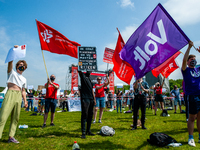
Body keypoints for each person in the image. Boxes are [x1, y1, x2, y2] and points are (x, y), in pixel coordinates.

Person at [0, 48, 28, 143]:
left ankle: (11, 136)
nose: (22, 66)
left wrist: (25, 100)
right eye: (20, 65)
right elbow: (10, 63)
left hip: (18, 96)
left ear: (25, 68)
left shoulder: (24, 79)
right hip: (10, 94)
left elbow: (23, 90)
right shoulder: (11, 73)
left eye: (23, 66)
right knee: (3, 117)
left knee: (15, 118)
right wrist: (14, 52)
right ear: (17, 66)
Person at [181, 41, 200, 147]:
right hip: (191, 95)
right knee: (192, 117)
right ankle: (191, 138)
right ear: (188, 62)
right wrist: (189, 47)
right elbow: (183, 60)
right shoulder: (185, 70)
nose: (193, 61)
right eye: (191, 60)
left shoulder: (198, 69)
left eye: (194, 59)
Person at [78, 71, 96, 139]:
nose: (91, 71)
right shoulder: (83, 75)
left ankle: (88, 130)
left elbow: (92, 90)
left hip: (91, 98)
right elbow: (79, 70)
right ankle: (83, 133)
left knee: (90, 115)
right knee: (84, 115)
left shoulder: (89, 78)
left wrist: (94, 99)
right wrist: (80, 62)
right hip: (85, 98)